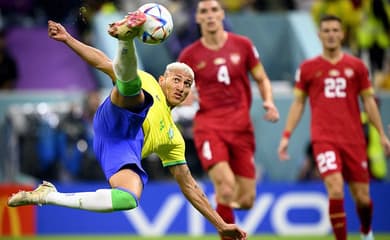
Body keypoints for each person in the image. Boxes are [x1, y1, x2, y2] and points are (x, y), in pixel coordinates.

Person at [7, 10, 247, 240]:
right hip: (115, 115)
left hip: (120, 148)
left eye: (187, 84)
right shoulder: (151, 82)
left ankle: (49, 195)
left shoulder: (173, 138)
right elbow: (102, 62)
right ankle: (126, 40)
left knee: (129, 198)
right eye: (177, 80)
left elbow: (191, 186)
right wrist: (68, 39)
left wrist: (221, 225)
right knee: (136, 93)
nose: (181, 87)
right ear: (163, 80)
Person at [277, 15, 390, 240]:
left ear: (342, 34)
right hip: (324, 139)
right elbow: (298, 103)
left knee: (363, 198)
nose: (331, 34)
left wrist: (382, 135)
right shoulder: (308, 68)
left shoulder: (356, 67)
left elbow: (368, 101)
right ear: (319, 35)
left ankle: (366, 232)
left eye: (335, 30)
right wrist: (286, 135)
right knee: (335, 188)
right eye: (326, 30)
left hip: (354, 139)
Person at [178, 1, 279, 238]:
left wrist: (269, 102)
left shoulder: (243, 45)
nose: (210, 15)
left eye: (214, 10)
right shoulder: (189, 54)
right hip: (209, 127)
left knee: (246, 200)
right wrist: (185, 97)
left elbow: (262, 78)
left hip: (241, 128)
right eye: (204, 11)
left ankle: (219, 212)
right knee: (224, 187)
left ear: (222, 14)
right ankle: (224, 219)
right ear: (198, 18)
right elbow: (181, 89)